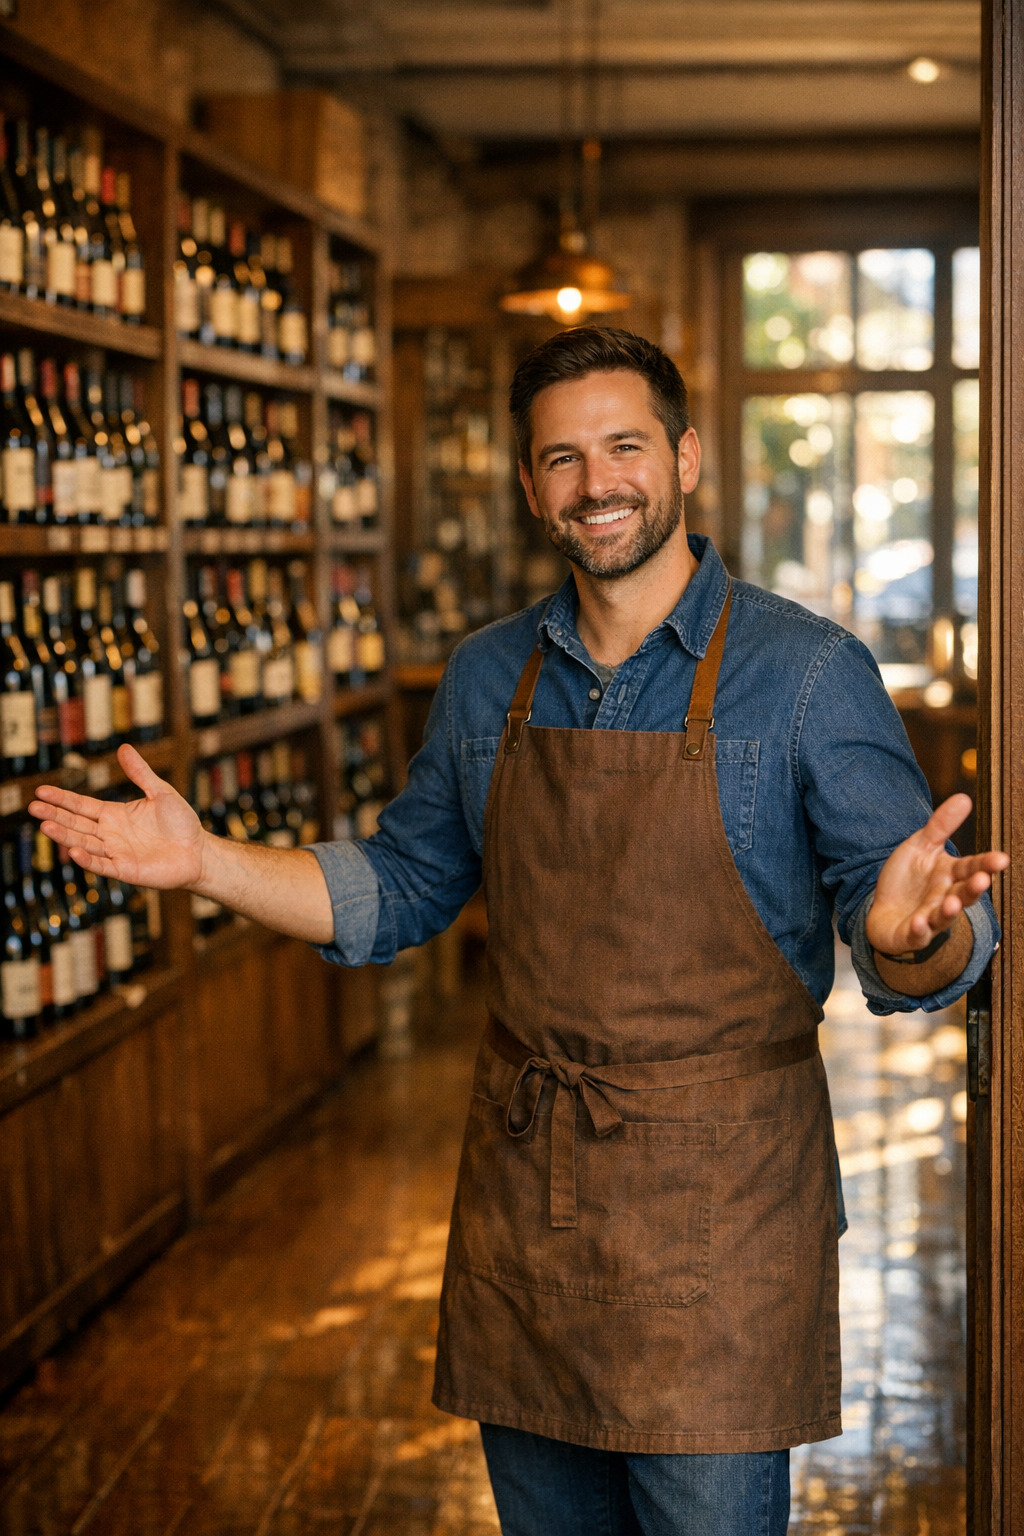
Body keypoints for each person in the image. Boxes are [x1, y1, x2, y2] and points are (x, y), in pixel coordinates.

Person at [30, 327, 1005, 1536]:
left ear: (686, 459)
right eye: (561, 458)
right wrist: (206, 863)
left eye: (624, 447)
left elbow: (923, 944)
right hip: (527, 1204)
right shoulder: (489, 676)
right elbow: (397, 886)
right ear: (531, 484)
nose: (595, 484)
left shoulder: (807, 673)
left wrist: (911, 934)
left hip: (725, 1218)